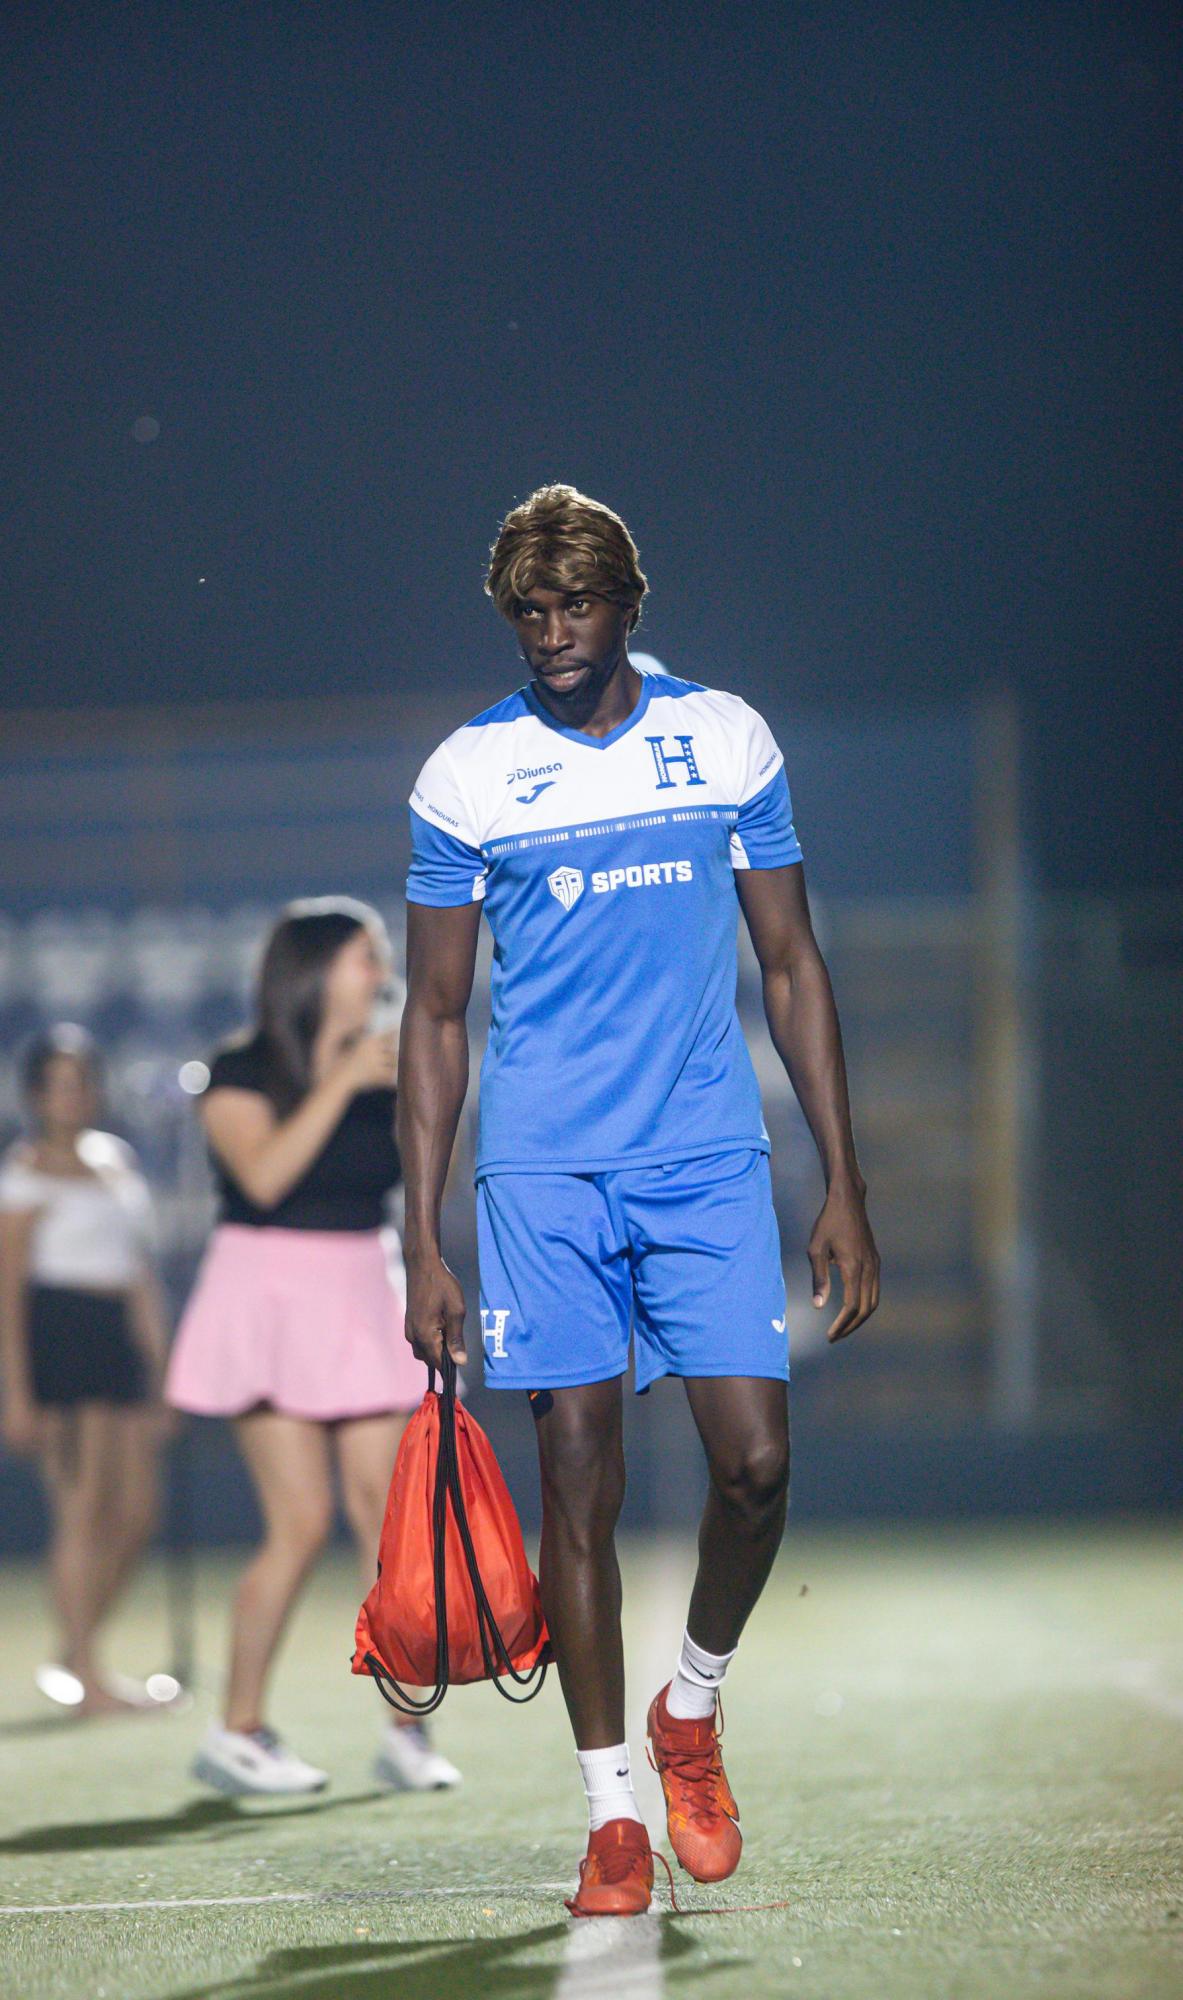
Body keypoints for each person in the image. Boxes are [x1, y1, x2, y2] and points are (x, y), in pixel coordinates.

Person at [398, 485, 879, 1916]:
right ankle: (612, 1816)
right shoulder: (467, 773)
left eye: (575, 605)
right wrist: (421, 1239)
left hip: (703, 1156)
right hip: (541, 1172)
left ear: (627, 604)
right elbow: (434, 1015)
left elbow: (789, 963)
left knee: (756, 1466)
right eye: (528, 612)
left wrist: (843, 1180)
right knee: (576, 1483)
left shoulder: (723, 737)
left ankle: (691, 1707)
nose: (551, 633)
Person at [166, 897, 460, 1797]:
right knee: (297, 1523)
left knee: (385, 1521)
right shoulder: (240, 1068)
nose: (381, 972)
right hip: (265, 1290)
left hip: (361, 1284)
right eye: (365, 956)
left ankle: (407, 1729)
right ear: (317, 968)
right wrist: (340, 1079)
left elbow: (422, 1180)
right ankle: (237, 1731)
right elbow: (264, 1175)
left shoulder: (391, 1062)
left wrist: (412, 1081)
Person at [0, 1024, 172, 1715]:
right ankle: (89, 1679)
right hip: (60, 1338)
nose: (73, 1096)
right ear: (36, 1095)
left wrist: (161, 1370)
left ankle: (74, 1652)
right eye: (59, 1085)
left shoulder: (114, 1160)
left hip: (116, 1339)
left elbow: (138, 1276)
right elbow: (9, 1291)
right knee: (83, 1509)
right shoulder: (22, 1174)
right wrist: (16, 1393)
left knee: (136, 1511)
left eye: (82, 1082)